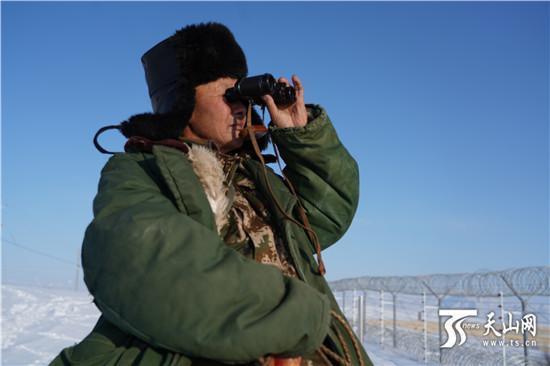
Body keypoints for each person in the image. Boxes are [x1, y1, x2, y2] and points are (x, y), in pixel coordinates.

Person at [50, 22, 372, 366]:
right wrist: (296, 314)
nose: (241, 104)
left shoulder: (257, 177)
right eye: (227, 94)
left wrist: (300, 137)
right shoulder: (142, 170)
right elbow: (142, 259)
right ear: (183, 102)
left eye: (242, 92)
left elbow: (327, 213)